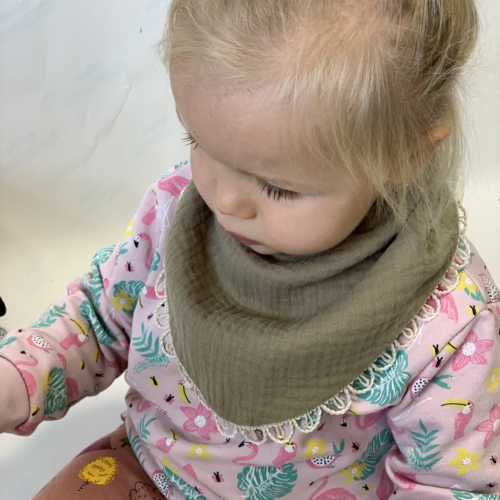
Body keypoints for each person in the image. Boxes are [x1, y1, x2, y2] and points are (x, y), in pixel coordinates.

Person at [1, 1, 499, 498]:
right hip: (148, 470)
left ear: (405, 156)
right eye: (198, 142)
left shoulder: (450, 320)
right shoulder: (175, 210)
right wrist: (16, 379)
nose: (224, 201)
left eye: (277, 187)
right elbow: (99, 319)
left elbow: (451, 484)